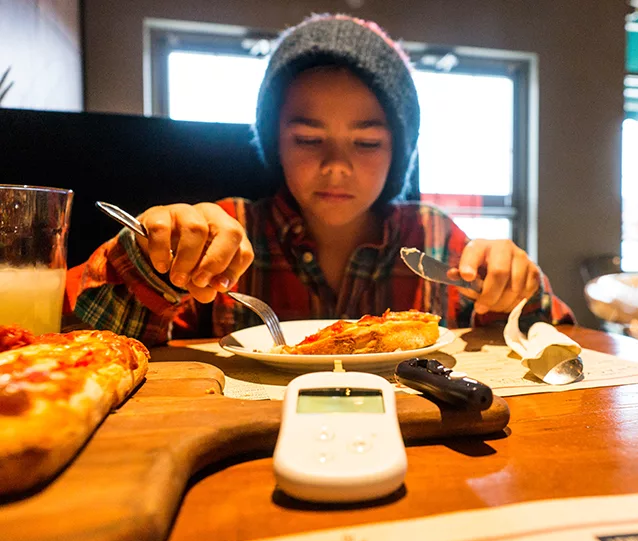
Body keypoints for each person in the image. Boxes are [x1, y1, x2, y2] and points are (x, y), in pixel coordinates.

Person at [65, 14, 574, 345]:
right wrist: (154, 260)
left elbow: (545, 336)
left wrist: (515, 286)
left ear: (400, 152)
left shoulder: (432, 236)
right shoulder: (225, 232)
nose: (336, 166)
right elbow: (85, 334)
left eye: (367, 142)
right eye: (309, 139)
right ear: (275, 142)